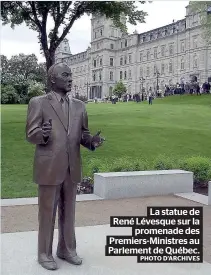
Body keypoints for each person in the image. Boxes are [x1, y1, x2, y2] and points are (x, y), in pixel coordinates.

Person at [26, 63, 104, 271]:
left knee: (69, 211)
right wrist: (42, 133)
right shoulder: (38, 103)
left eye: (71, 75)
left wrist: (92, 142)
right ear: (52, 79)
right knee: (47, 213)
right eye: (65, 75)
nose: (70, 78)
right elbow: (30, 134)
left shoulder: (80, 106)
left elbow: (83, 135)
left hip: (72, 167)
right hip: (49, 167)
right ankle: (44, 253)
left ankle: (67, 249)